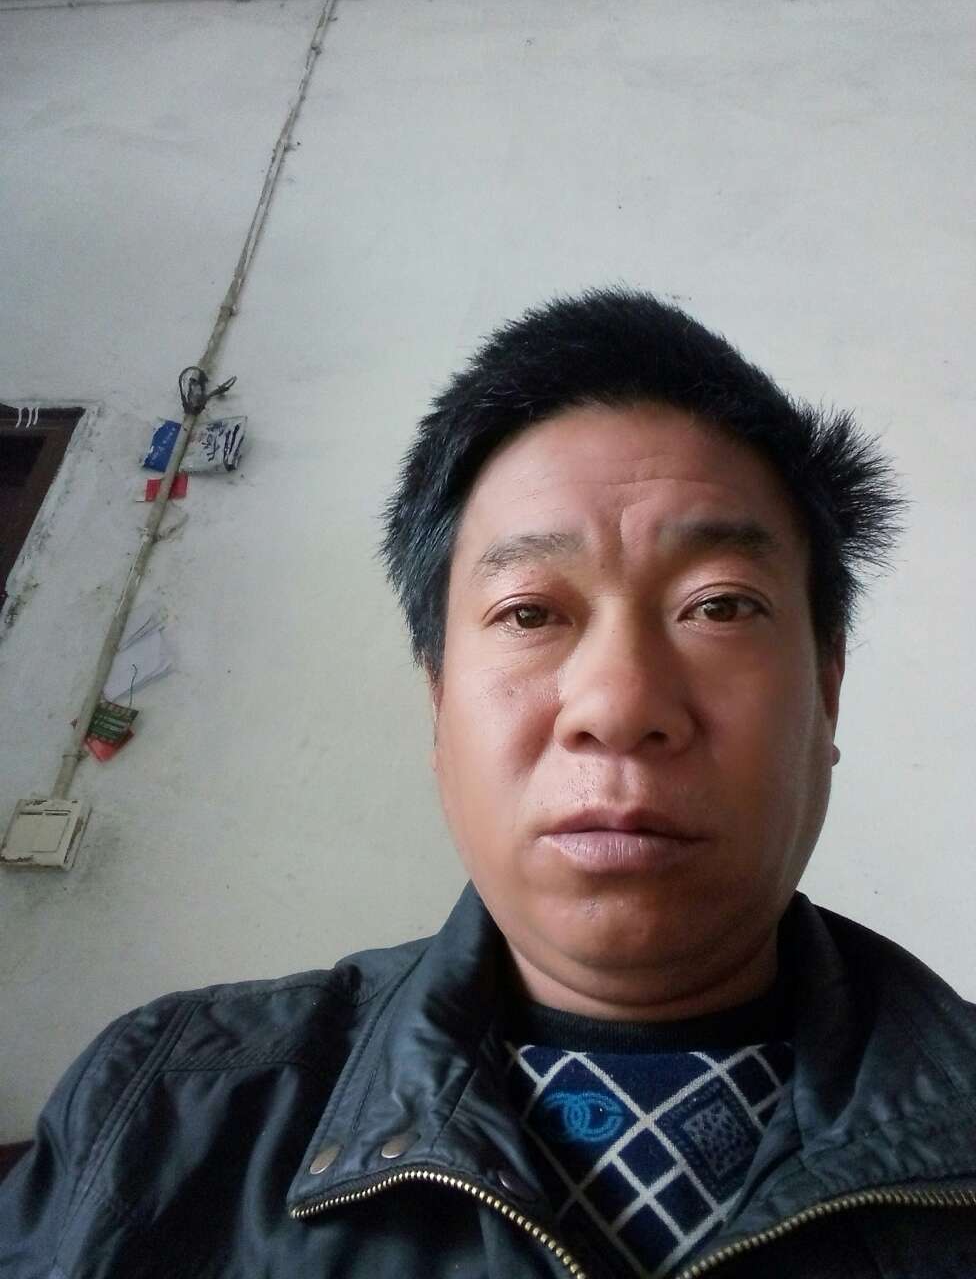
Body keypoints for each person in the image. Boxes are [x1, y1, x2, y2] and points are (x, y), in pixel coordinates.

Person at [2, 290, 974, 1279]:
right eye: (528, 614)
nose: (618, 704)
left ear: (827, 690)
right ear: (439, 702)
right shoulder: (160, 1118)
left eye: (718, 605)